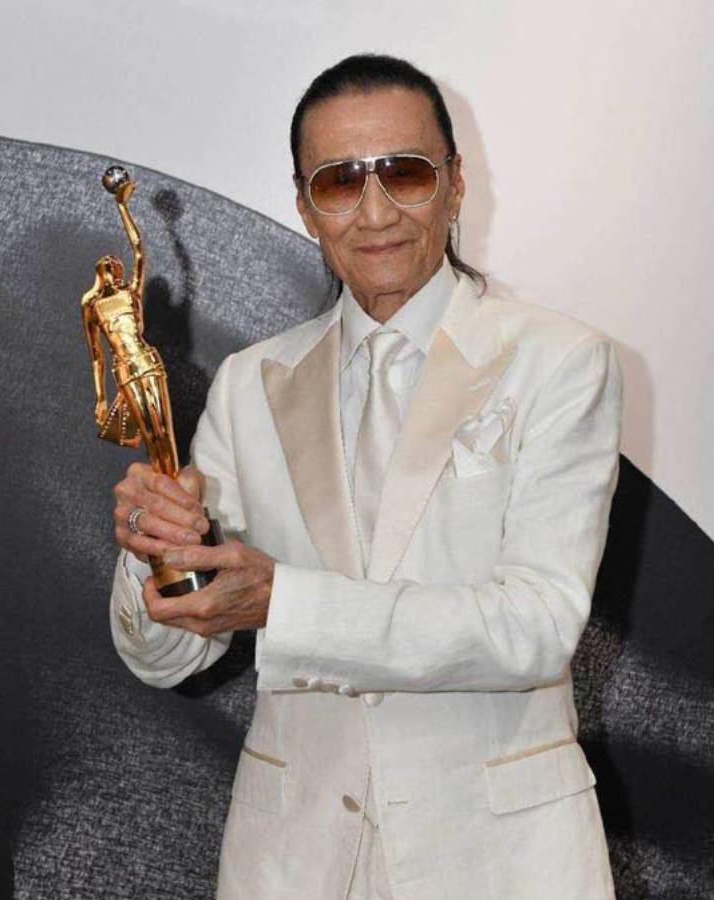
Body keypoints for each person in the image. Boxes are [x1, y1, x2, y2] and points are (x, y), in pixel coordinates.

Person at [106, 55, 618, 898]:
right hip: (293, 862)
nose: (375, 212)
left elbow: (536, 626)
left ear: (455, 184)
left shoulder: (558, 362)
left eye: (404, 174)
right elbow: (168, 657)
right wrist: (152, 551)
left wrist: (285, 604)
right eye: (340, 182)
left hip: (500, 863)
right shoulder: (249, 383)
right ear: (305, 206)